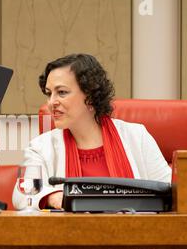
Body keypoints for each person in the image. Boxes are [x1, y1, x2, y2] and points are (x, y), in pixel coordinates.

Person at [12, 53, 171, 210]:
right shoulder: (40, 147)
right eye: (49, 93)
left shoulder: (137, 136)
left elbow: (171, 191)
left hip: (136, 232)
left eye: (62, 92)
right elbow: (22, 195)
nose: (51, 102)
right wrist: (52, 196)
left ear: (90, 95)